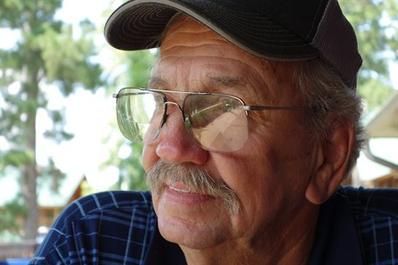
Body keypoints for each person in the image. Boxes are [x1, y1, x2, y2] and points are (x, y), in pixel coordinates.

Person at [30, 0, 398, 264]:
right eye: (161, 102)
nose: (169, 147)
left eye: (222, 110)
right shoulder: (94, 243)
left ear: (328, 154)